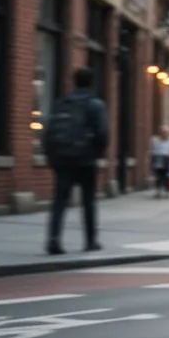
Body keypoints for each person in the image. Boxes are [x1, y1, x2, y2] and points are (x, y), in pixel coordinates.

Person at [43, 66, 110, 255]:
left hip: (62, 159)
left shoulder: (61, 103)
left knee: (59, 200)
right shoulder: (95, 105)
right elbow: (103, 133)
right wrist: (97, 154)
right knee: (88, 201)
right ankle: (90, 241)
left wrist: (52, 157)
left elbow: (48, 131)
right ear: (91, 83)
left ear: (74, 82)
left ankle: (53, 239)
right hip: (86, 160)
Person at [150, 125, 169, 198]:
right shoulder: (155, 140)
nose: (164, 134)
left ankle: (168, 190)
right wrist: (151, 160)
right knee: (158, 176)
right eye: (163, 132)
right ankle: (158, 190)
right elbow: (152, 150)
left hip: (168, 159)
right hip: (158, 158)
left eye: (166, 132)